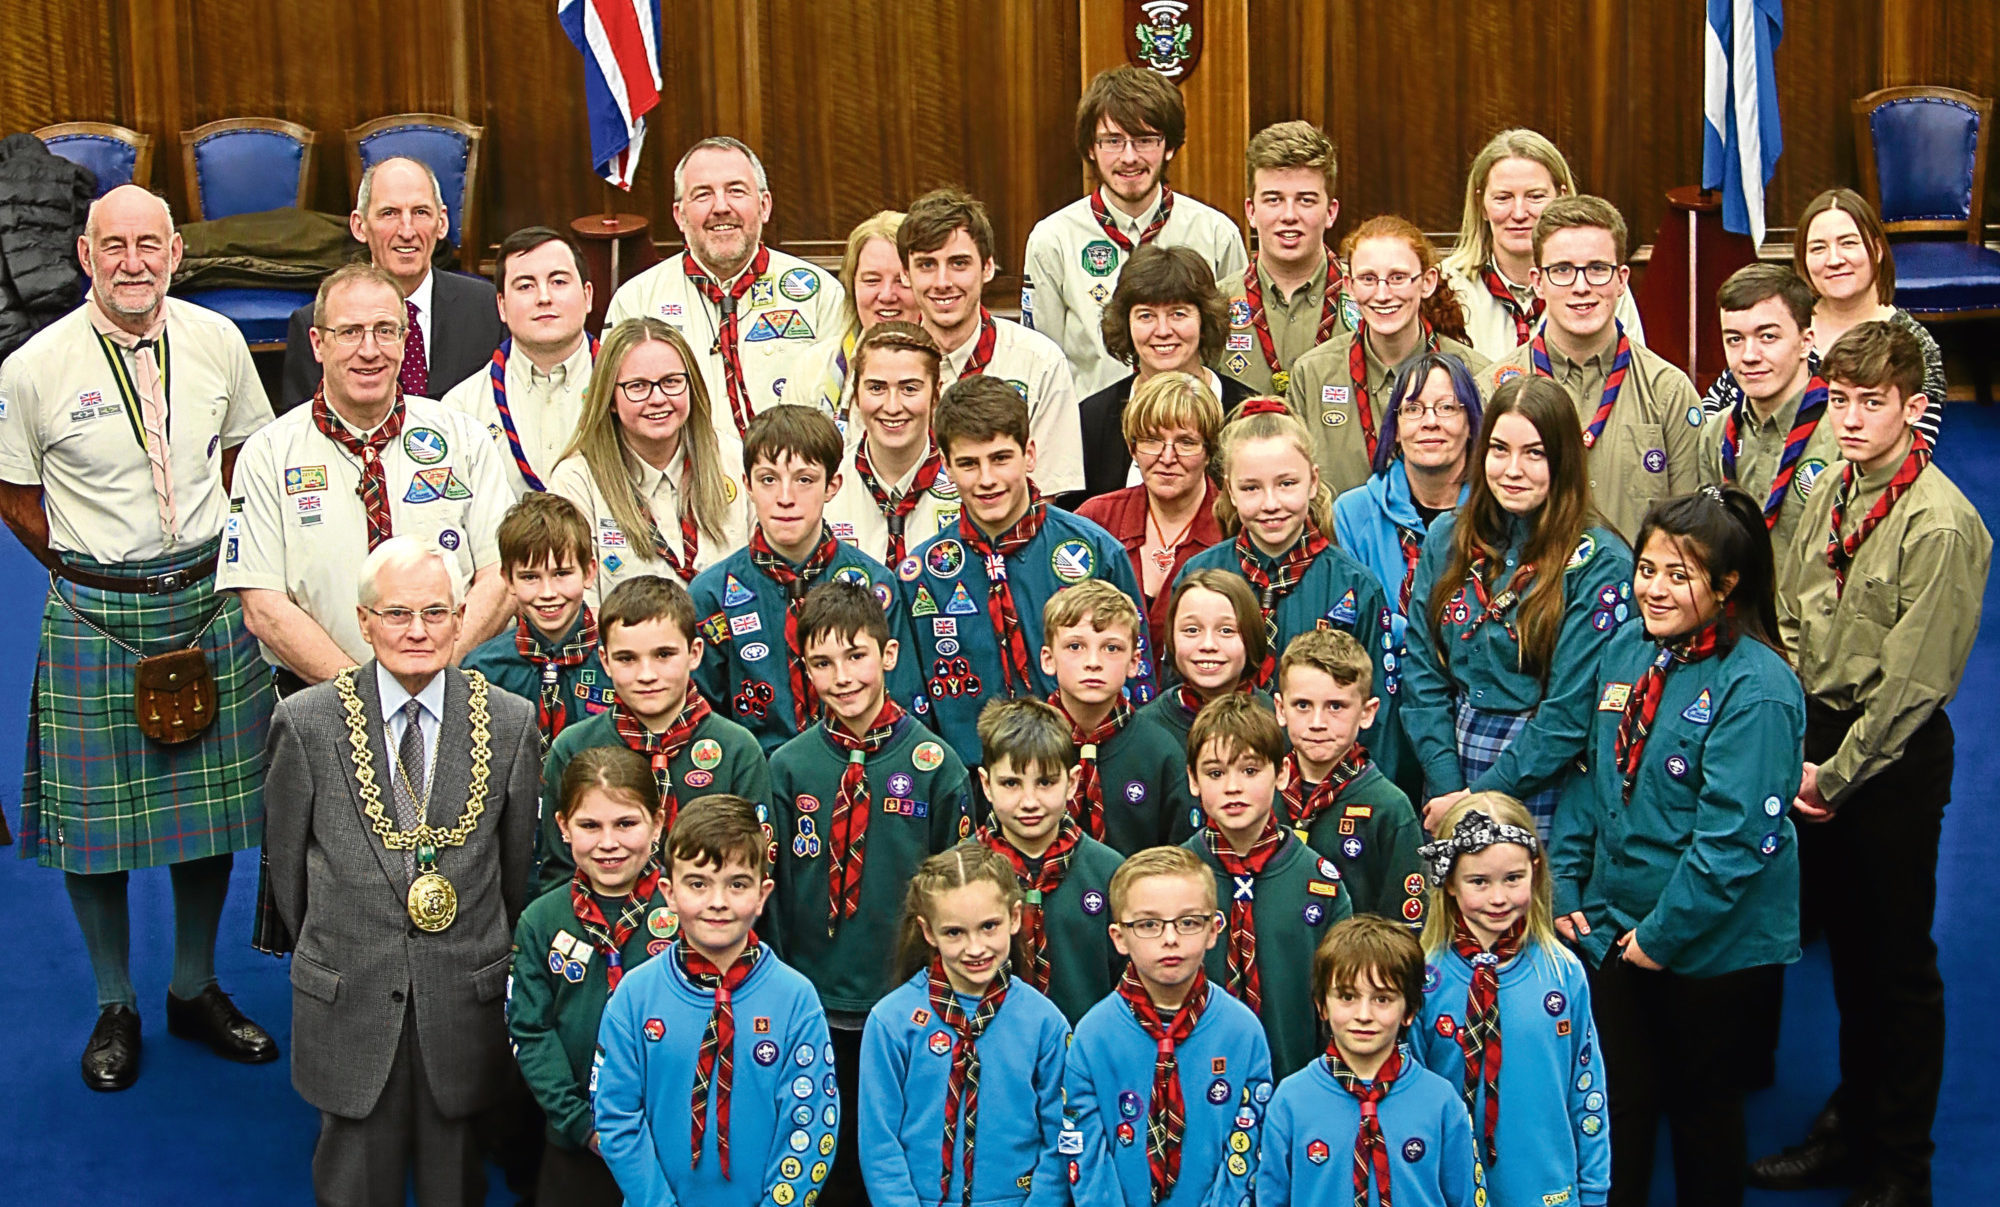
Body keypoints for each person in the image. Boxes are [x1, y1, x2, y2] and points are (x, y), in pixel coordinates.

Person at [0, 183, 277, 1090]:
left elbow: (246, 456)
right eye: (111, 245)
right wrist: (91, 571)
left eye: (147, 245)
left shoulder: (219, 342)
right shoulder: (32, 367)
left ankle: (193, 986)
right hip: (95, 614)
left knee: (211, 820)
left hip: (204, 601)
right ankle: (114, 1000)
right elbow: (14, 494)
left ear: (174, 252)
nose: (131, 262)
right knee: (94, 830)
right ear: (85, 256)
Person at [1757, 323, 1989, 1207]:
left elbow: (1912, 683)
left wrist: (1832, 775)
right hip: (1819, 741)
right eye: (1841, 400)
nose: (1849, 419)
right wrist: (1798, 745)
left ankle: (1902, 1165)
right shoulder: (1828, 485)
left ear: (1913, 409)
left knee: (1897, 966)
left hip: (1885, 760)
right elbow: (1787, 598)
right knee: (1848, 953)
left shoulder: (1942, 525)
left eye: (1871, 403)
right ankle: (1851, 1127)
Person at [263, 537, 542, 1207]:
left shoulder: (508, 722)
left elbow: (511, 870)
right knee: (355, 1180)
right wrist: (344, 941)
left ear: (460, 617)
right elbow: (288, 879)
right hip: (349, 990)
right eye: (396, 613)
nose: (417, 631)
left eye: (435, 612)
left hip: (461, 996)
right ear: (364, 621)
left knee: (455, 1180)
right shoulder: (306, 723)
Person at [1550, 485, 1806, 1207]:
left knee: (1702, 1117)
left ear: (1727, 586)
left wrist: (1655, 941)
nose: (1653, 589)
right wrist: (1568, 884)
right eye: (1646, 567)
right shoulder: (1629, 645)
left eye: (1678, 574)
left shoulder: (1758, 688)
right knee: (1620, 1106)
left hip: (1707, 947)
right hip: (1615, 926)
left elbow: (1732, 845)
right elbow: (1592, 772)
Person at [768, 579, 975, 1207]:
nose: (843, 677)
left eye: (857, 656)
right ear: (804, 669)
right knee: (816, 1164)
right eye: (823, 663)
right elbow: (772, 895)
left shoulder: (937, 765)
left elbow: (958, 898)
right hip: (813, 1004)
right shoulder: (788, 767)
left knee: (895, 1160)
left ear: (888, 656)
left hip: (904, 1007)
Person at [222, 262, 514, 685]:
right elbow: (263, 606)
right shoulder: (267, 454)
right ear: (318, 343)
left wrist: (433, 673)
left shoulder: (463, 437)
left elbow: (500, 574)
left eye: (385, 330)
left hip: (454, 687)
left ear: (404, 339)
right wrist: (363, 698)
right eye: (350, 332)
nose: (370, 349)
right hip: (319, 699)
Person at [1403, 377, 1634, 842]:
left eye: (1534, 453)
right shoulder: (1448, 536)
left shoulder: (1601, 562)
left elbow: (1568, 715)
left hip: (1545, 777)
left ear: (1564, 461)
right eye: (1499, 449)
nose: (1513, 469)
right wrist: (1449, 785)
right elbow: (1422, 672)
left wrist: (1478, 799)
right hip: (1450, 764)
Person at [592, 793, 836, 1207]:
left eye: (737, 884)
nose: (718, 902)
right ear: (668, 893)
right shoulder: (633, 996)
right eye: (698, 884)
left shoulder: (796, 999)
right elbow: (616, 1116)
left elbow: (811, 1125)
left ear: (763, 894)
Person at [903, 375, 1149, 770]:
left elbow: (1139, 674)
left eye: (1001, 458)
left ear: (1029, 454)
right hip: (973, 778)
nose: (987, 480)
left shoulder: (1095, 552)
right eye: (968, 463)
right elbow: (912, 707)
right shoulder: (923, 574)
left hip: (1089, 766)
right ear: (945, 467)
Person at [1174, 399, 1404, 786]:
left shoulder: (1355, 586)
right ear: (1228, 489)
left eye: (1287, 484)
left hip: (1326, 785)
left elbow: (1378, 715)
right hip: (1223, 784)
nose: (1271, 504)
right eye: (1251, 488)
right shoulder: (1199, 576)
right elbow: (1176, 691)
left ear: (1313, 481)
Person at [691, 404, 921, 755]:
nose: (785, 498)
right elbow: (704, 718)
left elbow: (900, 703)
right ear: (747, 486)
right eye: (768, 479)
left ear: (832, 485)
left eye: (804, 480)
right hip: (756, 778)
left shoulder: (876, 585)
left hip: (862, 767)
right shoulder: (711, 594)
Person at [1414, 794, 1606, 1207]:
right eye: (1479, 882)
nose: (1498, 898)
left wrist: (1593, 1189)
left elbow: (1587, 1090)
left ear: (1535, 873)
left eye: (1513, 879)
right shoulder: (1421, 978)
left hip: (1544, 1188)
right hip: (1443, 1189)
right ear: (1448, 882)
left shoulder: (1563, 972)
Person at [859, 841, 1071, 1207]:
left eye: (989, 926)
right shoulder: (890, 1021)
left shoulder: (1045, 1022)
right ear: (929, 932)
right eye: (955, 932)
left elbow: (1061, 1134)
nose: (975, 948)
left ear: (1015, 917)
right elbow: (879, 1141)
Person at [506, 746, 675, 1206]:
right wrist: (581, 1124)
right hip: (577, 1143)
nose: (609, 842)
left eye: (626, 824)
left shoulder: (689, 914)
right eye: (589, 825)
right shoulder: (541, 920)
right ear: (562, 827)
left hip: (676, 1140)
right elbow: (530, 1030)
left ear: (657, 824)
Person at [533, 574, 768, 896]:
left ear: (695, 653)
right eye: (627, 659)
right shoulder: (573, 748)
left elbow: (755, 872)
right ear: (605, 661)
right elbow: (558, 872)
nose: (646, 675)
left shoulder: (737, 750)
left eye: (663, 655)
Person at [1064, 846, 1273, 1207]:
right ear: (1118, 937)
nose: (1170, 938)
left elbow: (1249, 1140)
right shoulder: (1092, 1036)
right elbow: (1083, 1149)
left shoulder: (1243, 1032)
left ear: (1214, 930)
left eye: (1189, 922)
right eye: (1148, 924)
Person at [1481, 196, 1698, 542]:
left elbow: (1691, 528)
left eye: (1598, 269)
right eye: (1562, 270)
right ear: (1538, 281)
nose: (1581, 287)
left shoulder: (1668, 391)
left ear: (1622, 279)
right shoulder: (1492, 391)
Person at [1022, 64, 1247, 399]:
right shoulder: (1052, 239)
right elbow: (1042, 358)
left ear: (1168, 146)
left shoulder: (1216, 234)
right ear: (1090, 149)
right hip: (1091, 432)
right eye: (1113, 141)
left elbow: (1231, 346)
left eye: (1144, 140)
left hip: (1195, 430)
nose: (1129, 157)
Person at [605, 136, 845, 447]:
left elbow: (843, 410)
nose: (721, 207)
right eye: (703, 194)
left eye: (736, 191)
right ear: (679, 215)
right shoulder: (636, 301)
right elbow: (616, 417)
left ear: (764, 206)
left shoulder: (820, 293)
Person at [1182, 692, 1352, 1078]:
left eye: (1250, 771)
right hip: (1191, 1081)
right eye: (1214, 773)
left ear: (1282, 774)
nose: (1232, 787)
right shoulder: (1173, 879)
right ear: (1193, 780)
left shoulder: (1319, 882)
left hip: (1297, 1081)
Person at [1260, 915, 1481, 1207]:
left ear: (1410, 1010)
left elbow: (1467, 1198)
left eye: (1382, 999)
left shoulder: (1441, 1102)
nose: (1364, 1015)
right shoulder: (1290, 1100)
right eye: (1347, 996)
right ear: (1321, 1005)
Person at [1702, 188, 1948, 446]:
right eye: (1818, 248)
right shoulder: (1784, 322)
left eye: (1848, 243)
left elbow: (1915, 447)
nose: (1834, 260)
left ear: (1876, 250)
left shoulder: (1912, 344)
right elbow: (1717, 404)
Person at [548, 317, 749, 602]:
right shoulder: (576, 480)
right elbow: (581, 608)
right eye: (638, 386)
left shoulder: (734, 458)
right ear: (610, 398)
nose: (658, 398)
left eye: (671, 382)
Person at [902, 186, 1085, 498]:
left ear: (987, 268)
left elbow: (1047, 497)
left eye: (959, 263)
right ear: (905, 273)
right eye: (926, 265)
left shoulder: (1039, 362)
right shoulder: (880, 367)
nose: (943, 282)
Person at [280, 156, 502, 410]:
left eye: (420, 212)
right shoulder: (318, 322)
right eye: (389, 213)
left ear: (442, 223)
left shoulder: (487, 308)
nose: (407, 232)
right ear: (359, 226)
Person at [1288, 217, 1487, 494]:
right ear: (1349, 285)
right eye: (1368, 279)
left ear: (1427, 282)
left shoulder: (1477, 374)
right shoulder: (1311, 374)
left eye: (1398, 278)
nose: (1382, 294)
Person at [1333, 351, 1482, 704]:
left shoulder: (1495, 515)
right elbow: (1355, 626)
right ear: (1396, 429)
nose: (1429, 422)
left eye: (1447, 407)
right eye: (1413, 409)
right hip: (1377, 698)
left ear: (1472, 424)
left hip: (1471, 701)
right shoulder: (1353, 513)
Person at [973, 698, 1125, 1026]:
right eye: (1011, 783)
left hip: (1086, 1053)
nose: (1029, 801)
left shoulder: (1110, 872)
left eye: (1045, 782)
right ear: (986, 785)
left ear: (1072, 783)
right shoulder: (960, 875)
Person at [1439, 129, 1646, 362]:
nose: (1518, 213)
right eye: (1503, 198)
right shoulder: (1446, 286)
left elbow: (1631, 374)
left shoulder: (1599, 282)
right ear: (1481, 204)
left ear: (1561, 197)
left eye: (1535, 196)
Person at [1072, 244, 1249, 499]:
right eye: (1146, 316)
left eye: (1178, 314)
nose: (1163, 330)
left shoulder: (1245, 411)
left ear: (1205, 320)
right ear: (1125, 323)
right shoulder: (1092, 419)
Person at [1274, 630, 1425, 928]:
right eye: (1302, 705)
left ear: (1367, 713)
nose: (1317, 723)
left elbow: (1403, 927)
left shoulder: (1389, 808)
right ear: (1280, 709)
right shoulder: (1259, 791)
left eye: (1336, 706)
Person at [1073, 371, 1226, 655]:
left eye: (1186, 442)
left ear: (1209, 450)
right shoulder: (1096, 520)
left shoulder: (1233, 525)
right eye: (1151, 441)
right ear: (1132, 448)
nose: (1167, 458)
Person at [1697, 264, 1841, 558]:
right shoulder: (1715, 435)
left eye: (1768, 337)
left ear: (1805, 343)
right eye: (1735, 339)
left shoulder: (1844, 432)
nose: (1749, 356)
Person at [1039, 580, 1193, 854]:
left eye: (1111, 648)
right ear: (1048, 659)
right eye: (1075, 646)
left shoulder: (1161, 752)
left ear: (1134, 663)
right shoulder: (1022, 746)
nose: (1093, 661)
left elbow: (1181, 854)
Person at [439, 226, 595, 494]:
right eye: (525, 286)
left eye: (558, 282)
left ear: (587, 295)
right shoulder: (461, 409)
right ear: (501, 305)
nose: (544, 298)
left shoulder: (630, 390)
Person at [462, 492, 609, 749]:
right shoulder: (483, 670)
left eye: (562, 573)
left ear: (589, 572)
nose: (548, 593)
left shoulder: (619, 659)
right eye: (530, 577)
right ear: (508, 580)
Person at [1217, 120, 1353, 397]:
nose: (1289, 215)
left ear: (1331, 212)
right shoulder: (1214, 306)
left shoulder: (1368, 299)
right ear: (1251, 211)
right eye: (1273, 200)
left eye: (1305, 200)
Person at [823, 321, 962, 567]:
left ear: (936, 395)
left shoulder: (967, 485)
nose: (892, 407)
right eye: (876, 388)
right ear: (856, 394)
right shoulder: (824, 489)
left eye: (909, 388)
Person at [794, 210, 918, 430]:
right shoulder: (814, 368)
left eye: (902, 281)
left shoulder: (949, 366)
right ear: (852, 286)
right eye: (872, 280)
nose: (887, 295)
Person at [1135, 569, 1274, 752]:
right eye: (1192, 630)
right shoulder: (1145, 731)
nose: (1208, 645)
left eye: (1226, 630)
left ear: (1252, 636)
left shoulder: (1279, 720)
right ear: (1172, 637)